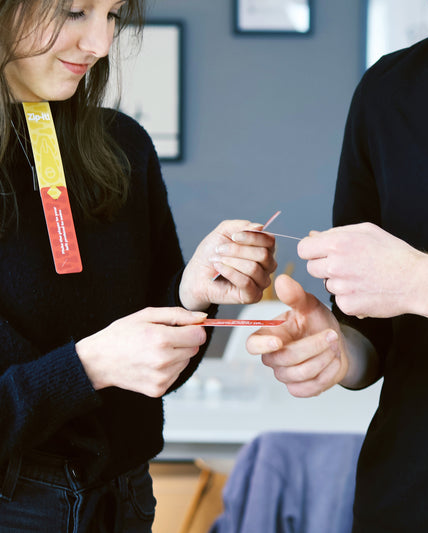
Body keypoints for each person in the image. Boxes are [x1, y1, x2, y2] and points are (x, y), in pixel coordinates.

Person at [248, 1, 428, 531]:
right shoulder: (388, 90)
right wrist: (336, 350)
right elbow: (374, 340)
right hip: (405, 504)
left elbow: (410, 284)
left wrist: (421, 282)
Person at [0, 1, 276, 531]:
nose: (101, 44)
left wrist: (192, 293)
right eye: (75, 11)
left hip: (126, 499)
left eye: (114, 15)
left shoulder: (124, 145)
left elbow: (156, 374)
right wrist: (88, 367)